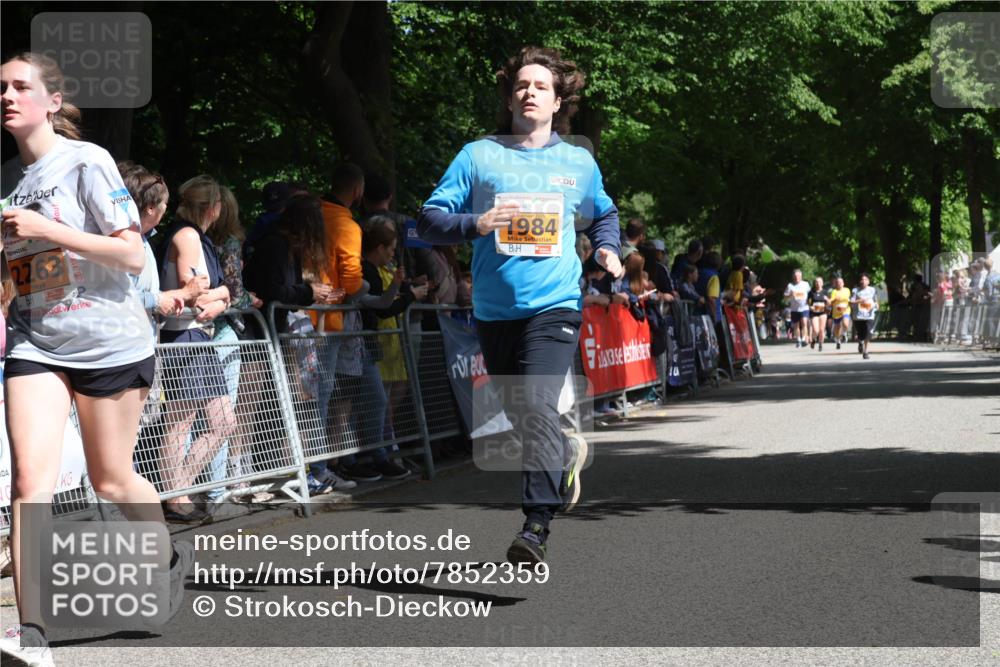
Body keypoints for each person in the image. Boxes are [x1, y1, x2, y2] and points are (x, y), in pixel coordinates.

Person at [0, 52, 193, 664]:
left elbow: (133, 256)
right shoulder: (5, 179)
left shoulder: (87, 161)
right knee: (31, 480)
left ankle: (161, 553)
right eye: (0, 87)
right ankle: (32, 634)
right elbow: (18, 272)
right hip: (37, 341)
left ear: (53, 101)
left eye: (20, 86)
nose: (7, 95)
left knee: (111, 478)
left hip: (109, 342)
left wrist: (46, 229)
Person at [417, 46, 622, 565]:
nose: (529, 92)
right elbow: (429, 220)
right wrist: (476, 224)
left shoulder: (578, 161)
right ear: (510, 96)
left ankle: (535, 525)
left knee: (535, 405)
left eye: (540, 87)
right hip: (493, 311)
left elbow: (604, 215)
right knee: (523, 417)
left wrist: (608, 249)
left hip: (554, 305)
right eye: (521, 85)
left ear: (558, 102)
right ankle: (567, 454)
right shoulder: (479, 156)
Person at [154, 175, 237, 522]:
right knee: (182, 422)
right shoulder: (187, 236)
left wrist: (223, 296)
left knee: (219, 421)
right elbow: (200, 294)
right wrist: (225, 295)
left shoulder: (192, 236)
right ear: (214, 208)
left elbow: (214, 293)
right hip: (184, 335)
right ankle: (175, 496)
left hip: (192, 335)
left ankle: (178, 490)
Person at [307, 163, 369, 492]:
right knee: (321, 394)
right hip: (326, 321)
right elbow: (353, 280)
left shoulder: (309, 214)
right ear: (358, 191)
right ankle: (316, 472)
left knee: (304, 396)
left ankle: (309, 469)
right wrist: (366, 294)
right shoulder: (345, 224)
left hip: (298, 316)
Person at [359, 216, 430, 470]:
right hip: (371, 338)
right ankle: (376, 454)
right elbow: (381, 308)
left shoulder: (381, 270)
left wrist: (402, 288)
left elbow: (383, 302)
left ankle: (383, 452)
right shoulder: (367, 270)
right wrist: (408, 295)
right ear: (380, 247)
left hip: (378, 339)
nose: (392, 254)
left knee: (381, 399)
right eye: (390, 248)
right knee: (377, 400)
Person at [851, 272, 879, 359]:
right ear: (859, 281)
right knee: (861, 335)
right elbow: (851, 303)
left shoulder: (872, 290)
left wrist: (876, 306)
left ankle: (866, 352)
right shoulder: (855, 290)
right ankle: (860, 342)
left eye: (865, 279)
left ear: (868, 281)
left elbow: (876, 302)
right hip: (858, 316)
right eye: (862, 279)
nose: (863, 281)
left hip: (869, 315)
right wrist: (859, 301)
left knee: (868, 333)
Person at [784, 268, 811, 348]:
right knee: (796, 325)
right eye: (795, 276)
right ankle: (798, 339)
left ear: (801, 276)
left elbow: (810, 294)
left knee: (804, 323)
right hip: (794, 309)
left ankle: (803, 339)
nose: (797, 277)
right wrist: (790, 295)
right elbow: (785, 297)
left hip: (804, 307)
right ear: (793, 276)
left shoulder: (805, 284)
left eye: (798, 276)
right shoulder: (790, 286)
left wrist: (810, 302)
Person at [828, 275, 852, 350]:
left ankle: (844, 333)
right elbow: (831, 301)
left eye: (840, 282)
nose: (839, 284)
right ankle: (838, 340)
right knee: (837, 328)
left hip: (845, 310)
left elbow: (849, 299)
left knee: (845, 323)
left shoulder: (847, 290)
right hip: (837, 312)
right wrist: (834, 299)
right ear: (835, 284)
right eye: (837, 282)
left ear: (843, 283)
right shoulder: (834, 291)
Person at [807, 276, 830, 351]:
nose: (818, 283)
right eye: (816, 282)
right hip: (814, 313)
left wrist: (827, 300)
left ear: (822, 283)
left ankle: (820, 344)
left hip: (823, 312)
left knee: (821, 329)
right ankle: (813, 339)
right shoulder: (811, 292)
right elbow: (809, 302)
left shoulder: (825, 292)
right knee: (816, 330)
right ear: (814, 283)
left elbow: (829, 303)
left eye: (819, 282)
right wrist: (810, 307)